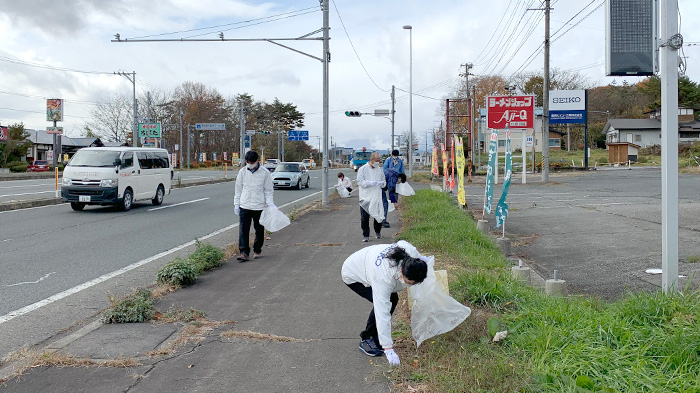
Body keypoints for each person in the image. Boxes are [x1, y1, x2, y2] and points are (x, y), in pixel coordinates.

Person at [341, 240, 428, 366]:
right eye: (408, 282)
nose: (408, 285)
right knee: (389, 302)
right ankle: (367, 338)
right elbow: (382, 312)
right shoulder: (383, 277)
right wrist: (388, 349)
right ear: (403, 272)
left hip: (368, 259)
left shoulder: (412, 256)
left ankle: (376, 337)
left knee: (392, 300)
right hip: (353, 273)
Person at [234, 150, 274, 262]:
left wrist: (270, 203)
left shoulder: (265, 173)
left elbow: (268, 190)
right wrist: (236, 204)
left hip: (259, 206)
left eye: (252, 162)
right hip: (245, 205)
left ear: (257, 160)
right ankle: (243, 252)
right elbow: (238, 189)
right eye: (248, 162)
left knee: (259, 229)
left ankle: (257, 249)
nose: (250, 164)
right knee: (243, 229)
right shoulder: (242, 172)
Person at [357, 152, 386, 242]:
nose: (378, 162)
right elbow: (359, 182)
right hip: (365, 197)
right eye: (377, 161)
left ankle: (378, 231)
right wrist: (370, 183)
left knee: (377, 215)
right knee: (365, 217)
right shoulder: (363, 169)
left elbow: (384, 182)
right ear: (371, 160)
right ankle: (366, 235)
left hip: (376, 196)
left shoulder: (379, 170)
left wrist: (382, 184)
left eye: (379, 161)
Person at [381, 150, 405, 228]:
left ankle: (381, 220)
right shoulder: (390, 162)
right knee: (384, 203)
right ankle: (382, 221)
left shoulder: (396, 161)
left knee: (383, 202)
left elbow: (384, 170)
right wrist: (394, 202)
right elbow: (391, 189)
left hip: (384, 181)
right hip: (385, 182)